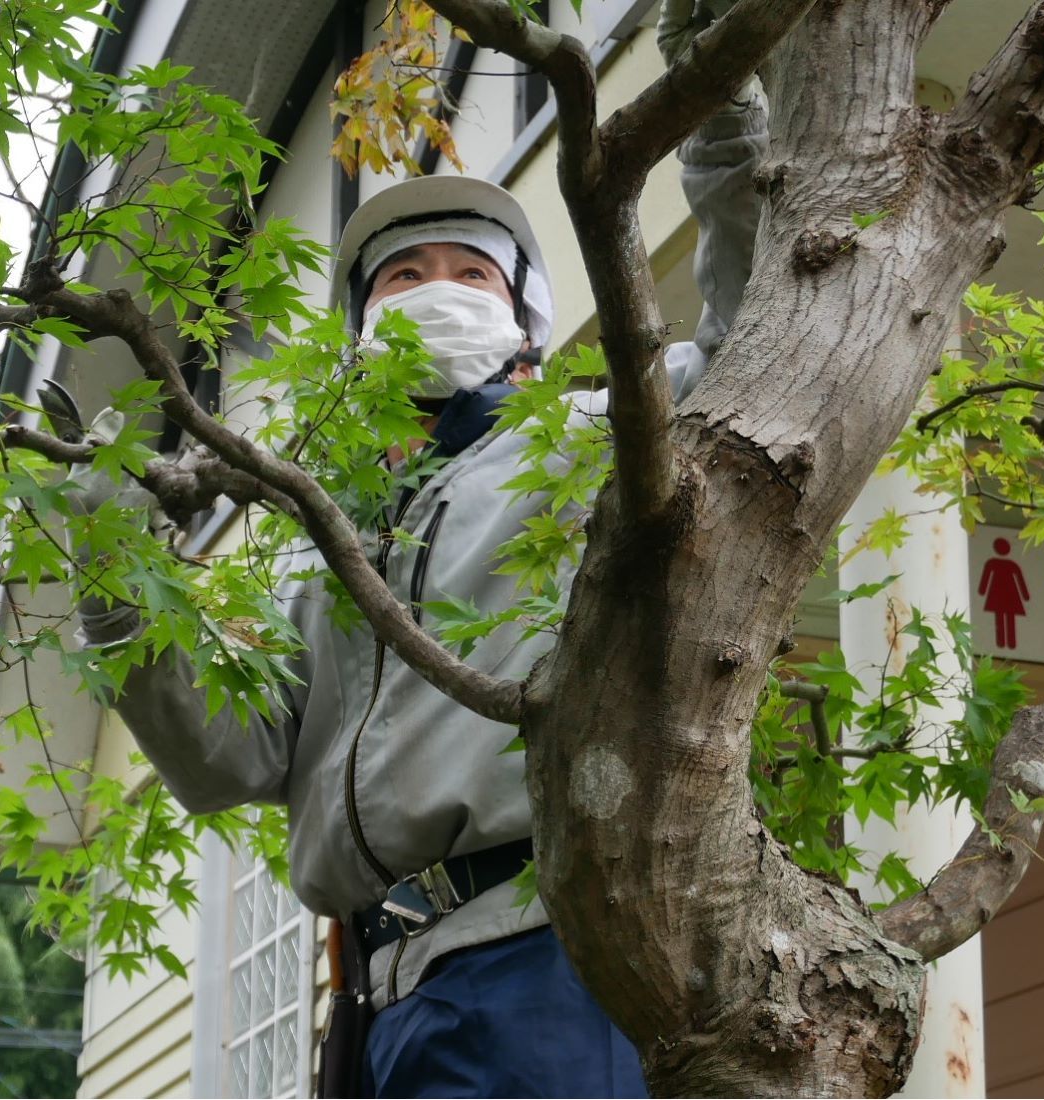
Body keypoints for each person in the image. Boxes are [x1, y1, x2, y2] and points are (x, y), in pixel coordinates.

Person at [72, 47, 768, 1100]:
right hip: (381, 999)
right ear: (361, 333)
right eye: (404, 276)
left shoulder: (593, 439)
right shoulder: (321, 538)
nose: (437, 291)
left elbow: (753, 344)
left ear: (526, 326)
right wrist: (114, 569)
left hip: (551, 960)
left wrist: (724, 115)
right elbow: (226, 755)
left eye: (472, 273)